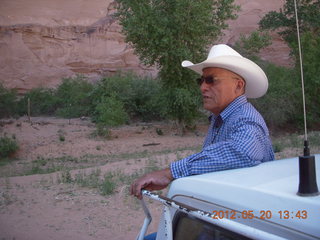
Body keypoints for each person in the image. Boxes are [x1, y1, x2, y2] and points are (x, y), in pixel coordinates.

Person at [130, 44, 275, 201]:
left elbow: (242, 152)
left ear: (238, 85)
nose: (203, 87)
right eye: (201, 80)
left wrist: (169, 173)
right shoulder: (221, 117)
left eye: (211, 80)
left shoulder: (246, 118)